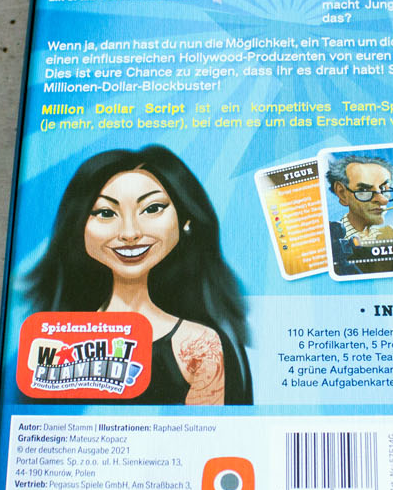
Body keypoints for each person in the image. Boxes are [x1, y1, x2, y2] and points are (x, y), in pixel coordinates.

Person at [26, 145, 251, 405]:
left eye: (152, 208)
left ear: (185, 218)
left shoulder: (200, 345)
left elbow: (211, 431)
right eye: (106, 213)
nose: (130, 233)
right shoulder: (52, 339)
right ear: (79, 226)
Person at [325, 154, 393, 275]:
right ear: (342, 193)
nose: (383, 200)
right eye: (364, 190)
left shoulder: (390, 235)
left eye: (384, 189)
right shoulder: (332, 237)